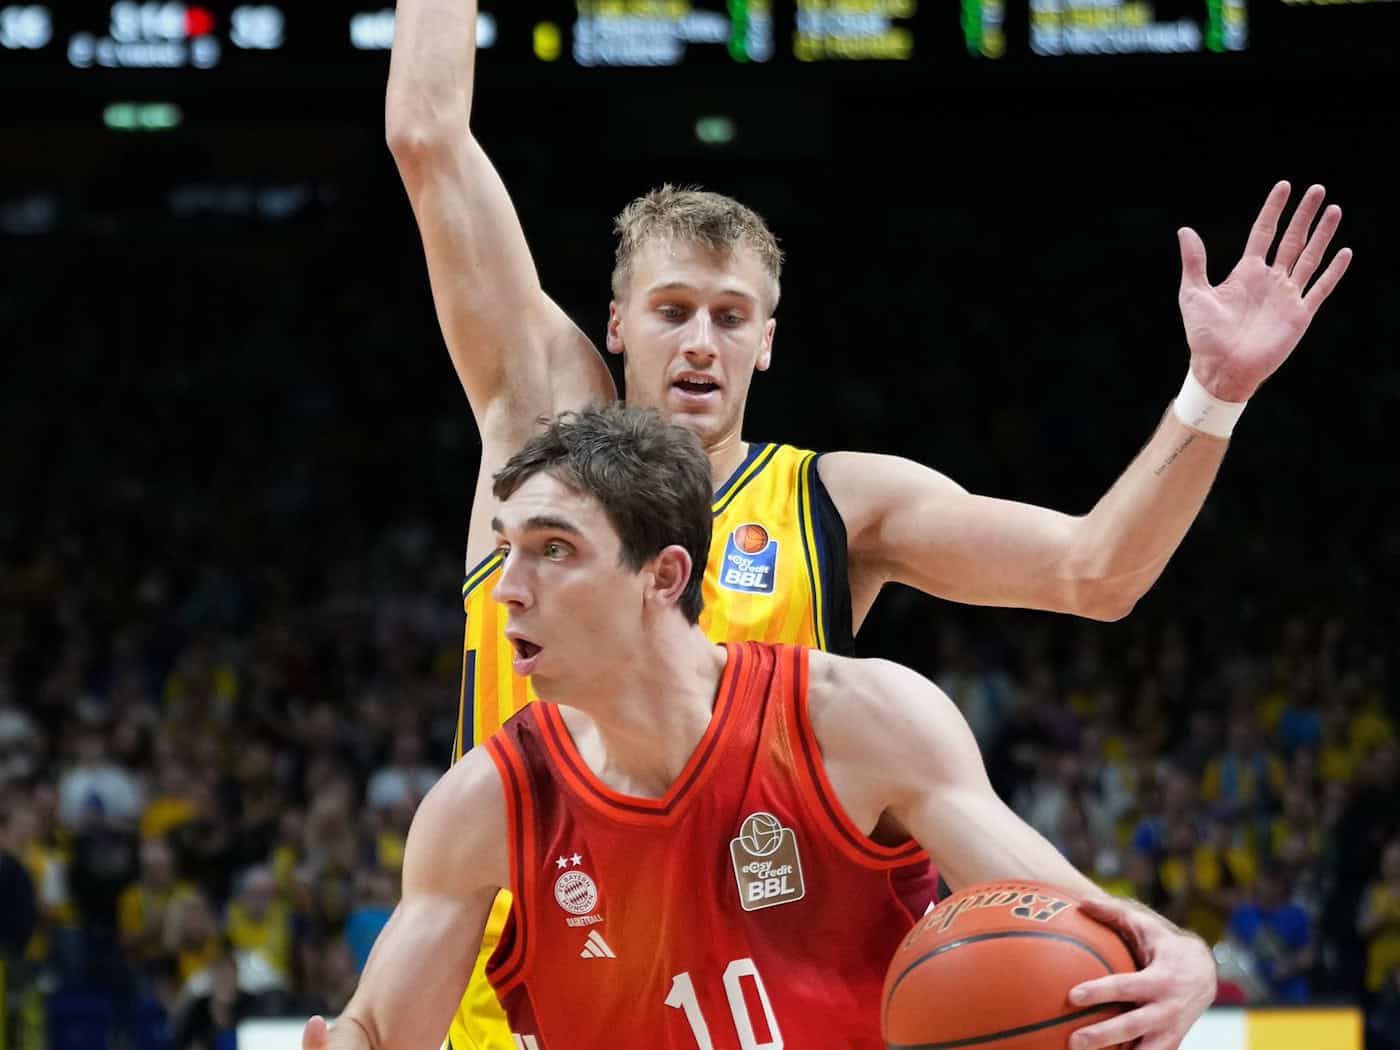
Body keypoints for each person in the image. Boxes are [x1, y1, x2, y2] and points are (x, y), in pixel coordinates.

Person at [384, 3, 1351, 1046]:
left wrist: (1210, 395)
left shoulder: (833, 502)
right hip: (526, 1014)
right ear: (617, 323)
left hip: (773, 1003)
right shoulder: (543, 433)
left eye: (729, 314)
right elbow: (427, 136)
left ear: (767, 341)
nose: (699, 341)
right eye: (670, 310)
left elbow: (1093, 572)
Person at [301, 404, 1216, 1050]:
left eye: (554, 550)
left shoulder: (855, 725)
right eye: (509, 549)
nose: (507, 588)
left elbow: (1078, 920)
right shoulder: (484, 806)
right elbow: (380, 1031)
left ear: (663, 577)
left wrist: (1177, 953)